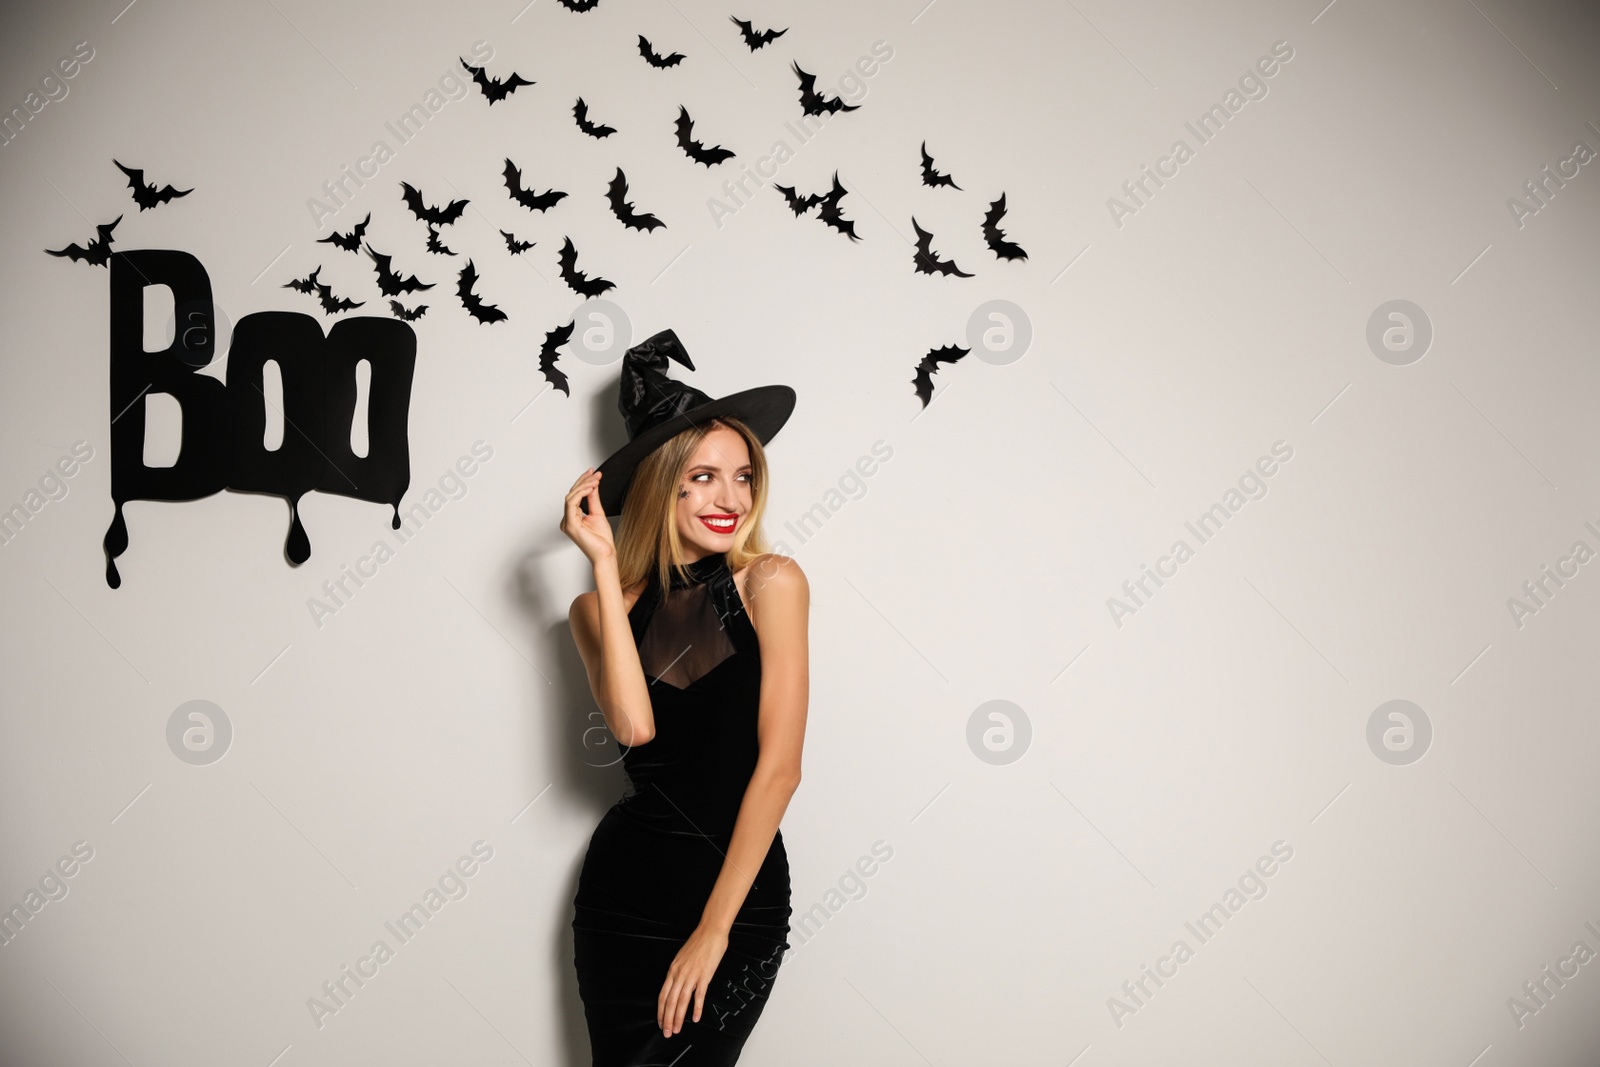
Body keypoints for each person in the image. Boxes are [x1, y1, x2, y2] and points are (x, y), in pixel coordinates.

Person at [562, 328, 808, 1064]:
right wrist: (606, 567)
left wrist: (715, 929)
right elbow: (635, 728)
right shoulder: (592, 609)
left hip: (737, 897)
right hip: (626, 896)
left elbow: (780, 769)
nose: (728, 497)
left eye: (743, 476)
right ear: (658, 484)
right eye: (700, 476)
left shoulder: (772, 583)